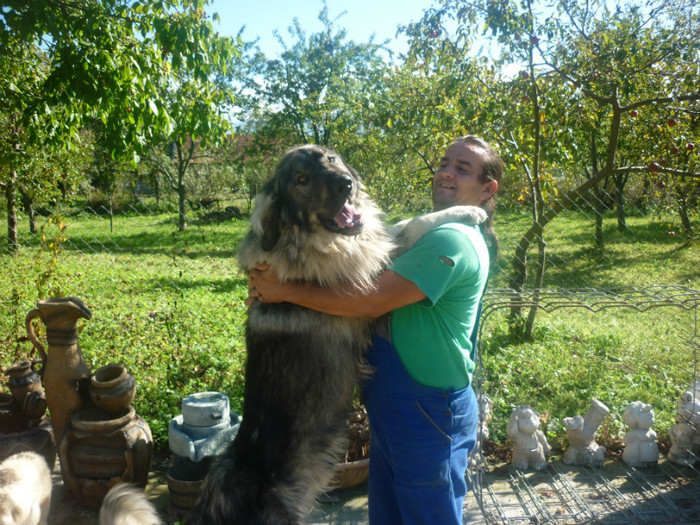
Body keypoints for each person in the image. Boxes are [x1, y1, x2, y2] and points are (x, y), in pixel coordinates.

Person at [248, 135, 502, 525]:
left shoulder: (453, 239)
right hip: (397, 404)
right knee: (391, 514)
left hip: (428, 408)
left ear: (487, 189)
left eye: (462, 169)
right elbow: (380, 256)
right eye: (445, 163)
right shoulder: (436, 233)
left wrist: (281, 290)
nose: (446, 172)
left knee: (425, 515)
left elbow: (369, 300)